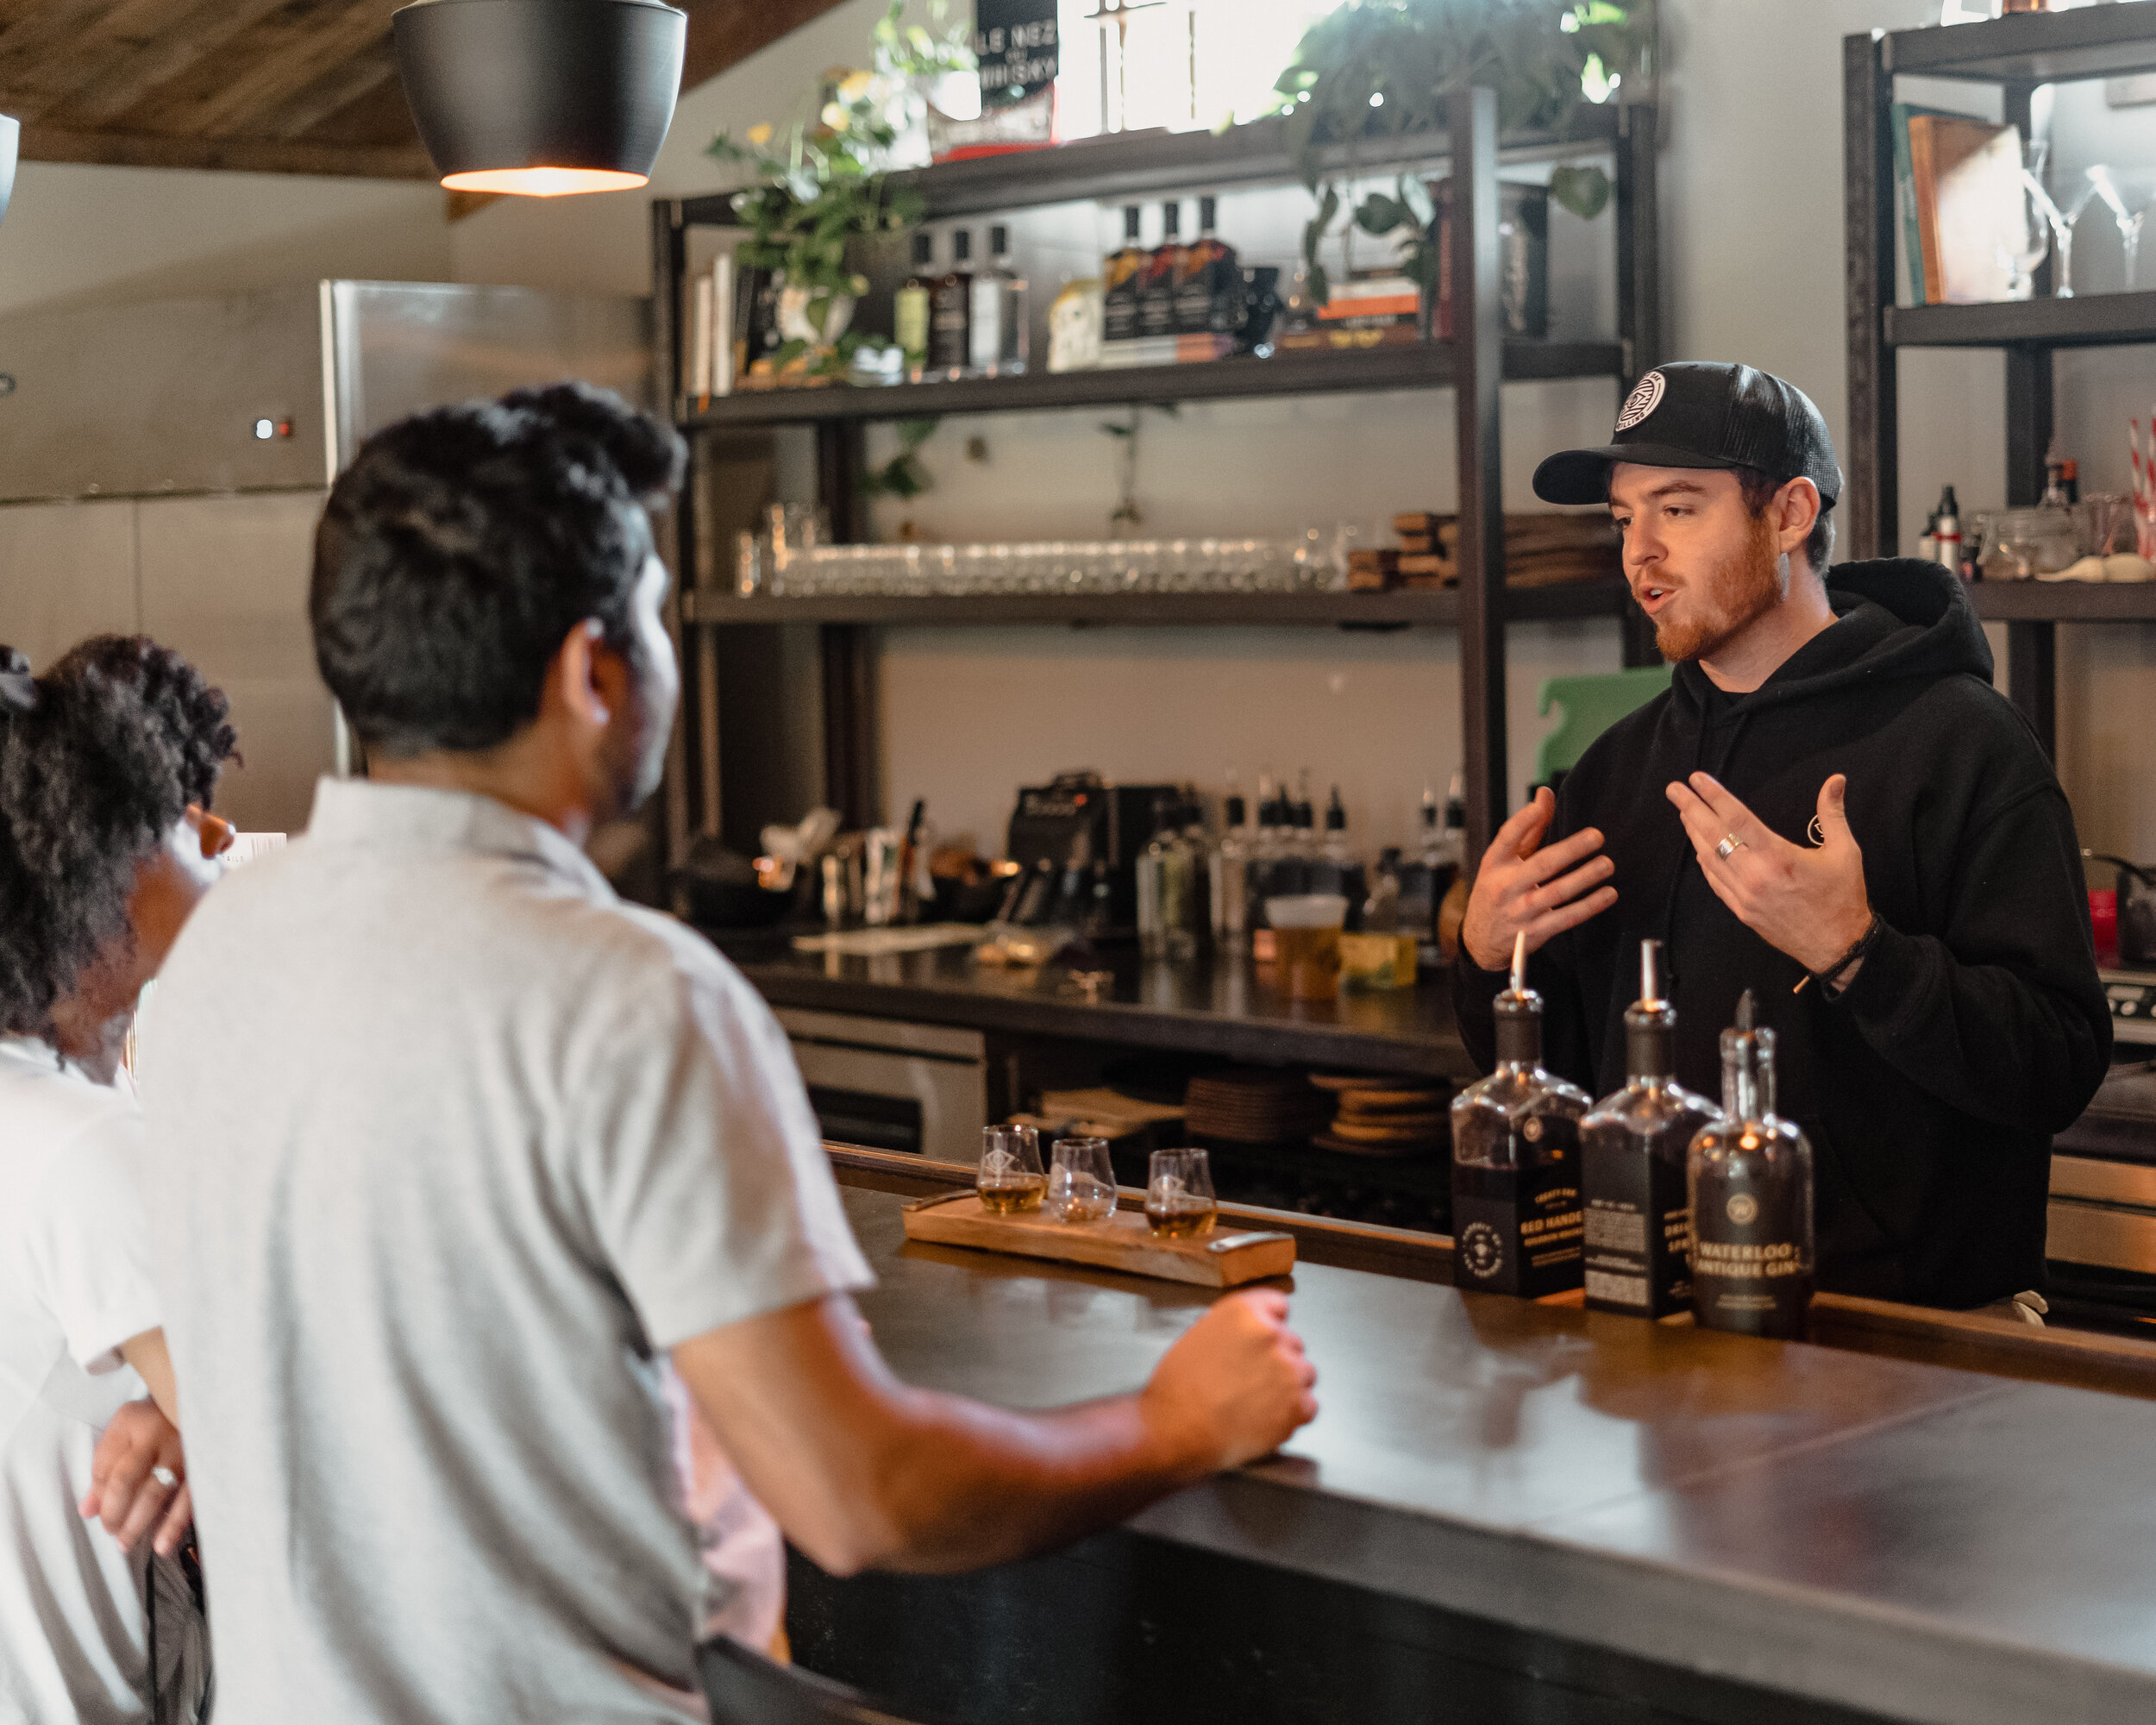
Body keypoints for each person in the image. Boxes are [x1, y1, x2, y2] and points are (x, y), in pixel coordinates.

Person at [138, 383, 1319, 1724]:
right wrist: (1175, 1423)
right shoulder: (630, 1000)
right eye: (653, 613)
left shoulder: (212, 965)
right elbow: (861, 1495)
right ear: (592, 672)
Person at [1455, 361, 2110, 1310]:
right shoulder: (1613, 769)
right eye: (1622, 517)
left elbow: (2056, 1065)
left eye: (1677, 510)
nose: (1640, 552)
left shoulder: (1960, 741)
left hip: (1909, 1341)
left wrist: (1857, 952)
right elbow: (1554, 1084)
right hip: (1661, 1319)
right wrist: (1485, 961)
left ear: (1791, 514)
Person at [0, 636, 235, 1722]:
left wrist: (178, 1399)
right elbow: (297, 1468)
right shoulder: (81, 1149)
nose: (213, 845)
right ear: (98, 869)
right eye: (176, 824)